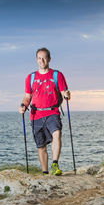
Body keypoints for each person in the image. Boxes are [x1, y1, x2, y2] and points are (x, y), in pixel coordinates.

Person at [19, 48, 71, 176]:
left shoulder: (57, 75)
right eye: (39, 58)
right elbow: (27, 97)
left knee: (57, 134)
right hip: (36, 115)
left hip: (52, 112)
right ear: (36, 59)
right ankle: (45, 172)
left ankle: (55, 164)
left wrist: (67, 95)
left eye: (44, 58)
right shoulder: (31, 77)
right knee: (41, 146)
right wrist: (23, 106)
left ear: (49, 59)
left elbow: (64, 92)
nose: (41, 60)